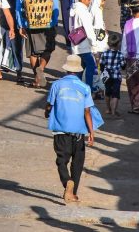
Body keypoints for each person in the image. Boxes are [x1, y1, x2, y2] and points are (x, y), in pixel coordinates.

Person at [45, 54, 95, 203]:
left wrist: (47, 111)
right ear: (79, 70)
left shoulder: (56, 85)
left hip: (61, 131)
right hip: (79, 132)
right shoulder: (85, 87)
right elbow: (87, 111)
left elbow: (50, 105)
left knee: (62, 160)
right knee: (77, 163)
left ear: (66, 69)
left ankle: (67, 183)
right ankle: (72, 193)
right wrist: (91, 132)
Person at [17, 0, 59, 88]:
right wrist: (54, 22)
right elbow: (55, 5)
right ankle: (41, 68)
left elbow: (18, 7)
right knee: (47, 49)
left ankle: (36, 79)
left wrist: (21, 25)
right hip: (47, 22)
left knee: (33, 53)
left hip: (30, 22)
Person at [69, 0, 98, 91]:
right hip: (84, 45)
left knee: (80, 67)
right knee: (91, 65)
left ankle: (77, 87)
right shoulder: (83, 11)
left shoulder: (73, 9)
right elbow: (89, 28)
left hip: (75, 43)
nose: (89, 2)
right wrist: (94, 45)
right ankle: (88, 87)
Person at [0, 0, 24, 83]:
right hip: (4, 25)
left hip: (18, 25)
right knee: (4, 47)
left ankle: (19, 72)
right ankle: (2, 69)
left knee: (17, 48)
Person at [100, 32, 125, 116]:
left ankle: (108, 109)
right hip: (116, 76)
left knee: (107, 92)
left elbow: (101, 64)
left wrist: (104, 72)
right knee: (115, 94)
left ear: (108, 44)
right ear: (118, 44)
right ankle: (114, 111)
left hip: (107, 76)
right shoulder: (120, 55)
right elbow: (123, 66)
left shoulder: (104, 53)